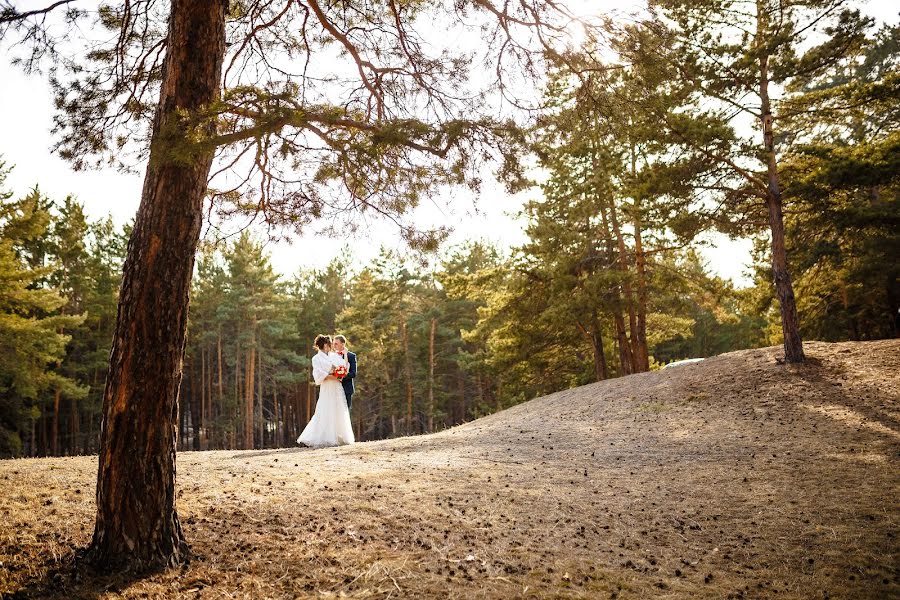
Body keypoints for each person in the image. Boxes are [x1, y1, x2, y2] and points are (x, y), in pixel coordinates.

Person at [297, 334, 355, 448]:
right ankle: (318, 437)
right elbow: (318, 374)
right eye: (329, 345)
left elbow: (344, 366)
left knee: (338, 409)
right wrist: (331, 376)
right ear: (325, 345)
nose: (331, 347)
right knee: (324, 410)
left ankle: (340, 437)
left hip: (337, 387)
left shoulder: (333, 355)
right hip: (327, 387)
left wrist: (340, 372)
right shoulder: (316, 358)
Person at [332, 334, 357, 411]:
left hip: (347, 389)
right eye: (333, 343)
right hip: (333, 388)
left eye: (336, 343)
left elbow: (353, 373)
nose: (334, 345)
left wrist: (341, 376)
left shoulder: (351, 356)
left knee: (345, 414)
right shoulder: (331, 356)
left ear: (342, 344)